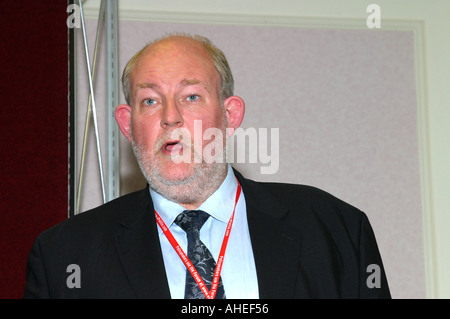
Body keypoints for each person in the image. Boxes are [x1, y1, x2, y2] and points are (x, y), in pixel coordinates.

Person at [24, 33, 391, 299]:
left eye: (191, 96)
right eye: (150, 101)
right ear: (127, 124)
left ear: (230, 115)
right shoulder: (65, 256)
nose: (171, 117)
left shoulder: (335, 229)